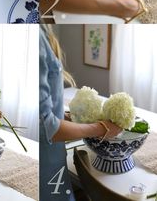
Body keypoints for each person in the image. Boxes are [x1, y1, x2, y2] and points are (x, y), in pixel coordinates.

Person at [40, 25, 122, 201]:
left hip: (53, 156)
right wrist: (101, 128)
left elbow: (45, 111)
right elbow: (47, 126)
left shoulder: (42, 29)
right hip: (46, 163)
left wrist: (72, 118)